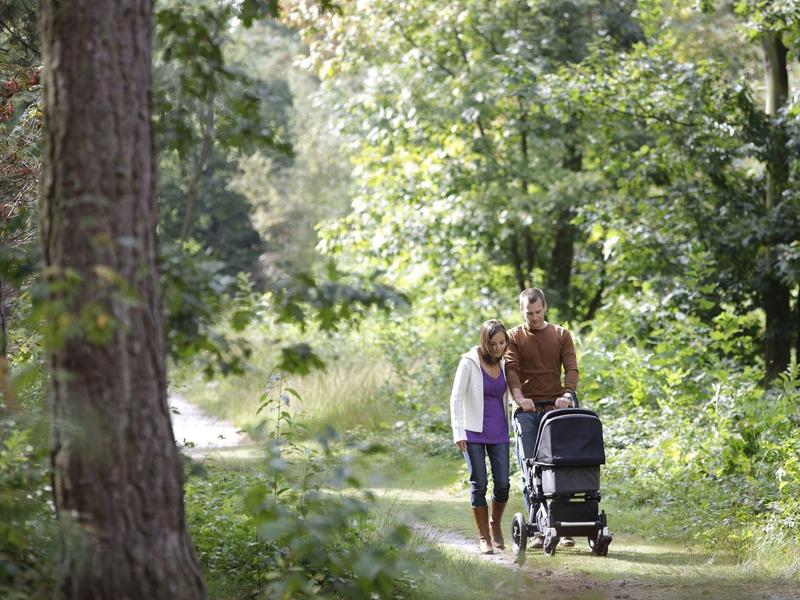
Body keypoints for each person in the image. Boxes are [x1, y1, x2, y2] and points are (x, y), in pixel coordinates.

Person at [504, 287, 578, 547]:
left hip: (555, 409)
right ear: (521, 311)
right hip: (527, 410)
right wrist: (518, 397)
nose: (533, 318)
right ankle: (537, 529)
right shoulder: (514, 336)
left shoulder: (560, 335)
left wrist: (567, 395)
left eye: (537, 312)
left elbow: (571, 367)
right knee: (531, 471)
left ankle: (565, 527)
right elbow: (511, 368)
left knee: (562, 467)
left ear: (545, 308)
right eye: (528, 313)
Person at [450, 319, 512, 554]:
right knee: (479, 484)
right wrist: (458, 432)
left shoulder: (506, 363)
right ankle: (484, 536)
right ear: (484, 342)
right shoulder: (469, 362)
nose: (497, 348)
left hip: (499, 431)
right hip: (472, 431)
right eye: (492, 343)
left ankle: (495, 524)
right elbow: (456, 397)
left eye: (501, 343)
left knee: (503, 484)